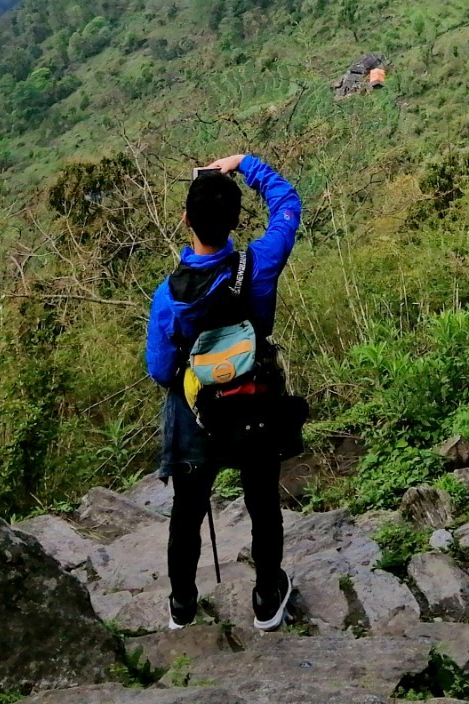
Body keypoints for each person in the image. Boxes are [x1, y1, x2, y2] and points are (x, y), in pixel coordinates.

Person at [144, 151, 302, 631]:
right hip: (254, 401)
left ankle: (182, 605)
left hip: (197, 412)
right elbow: (288, 204)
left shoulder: (169, 294)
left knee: (188, 511)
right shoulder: (259, 262)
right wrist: (246, 163)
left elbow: (161, 368)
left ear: (185, 219)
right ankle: (266, 597)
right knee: (262, 503)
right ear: (236, 220)